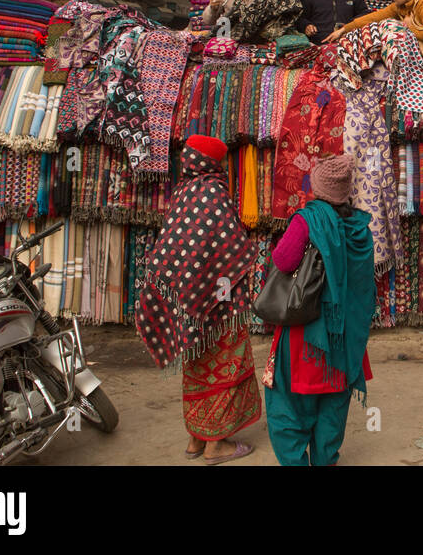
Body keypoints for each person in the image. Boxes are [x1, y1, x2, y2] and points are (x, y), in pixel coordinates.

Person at [136, 135, 261, 464]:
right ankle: (216, 444)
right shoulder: (214, 193)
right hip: (219, 304)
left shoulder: (184, 192)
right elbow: (227, 246)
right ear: (214, 163)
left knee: (196, 366)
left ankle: (196, 439)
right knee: (224, 365)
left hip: (189, 304)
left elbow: (177, 248)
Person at [263, 154, 375, 466]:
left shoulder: (307, 220)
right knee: (333, 404)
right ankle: (326, 459)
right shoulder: (359, 228)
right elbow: (364, 287)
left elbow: (283, 261)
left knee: (289, 404)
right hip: (346, 337)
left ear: (318, 186)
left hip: (308, 335)